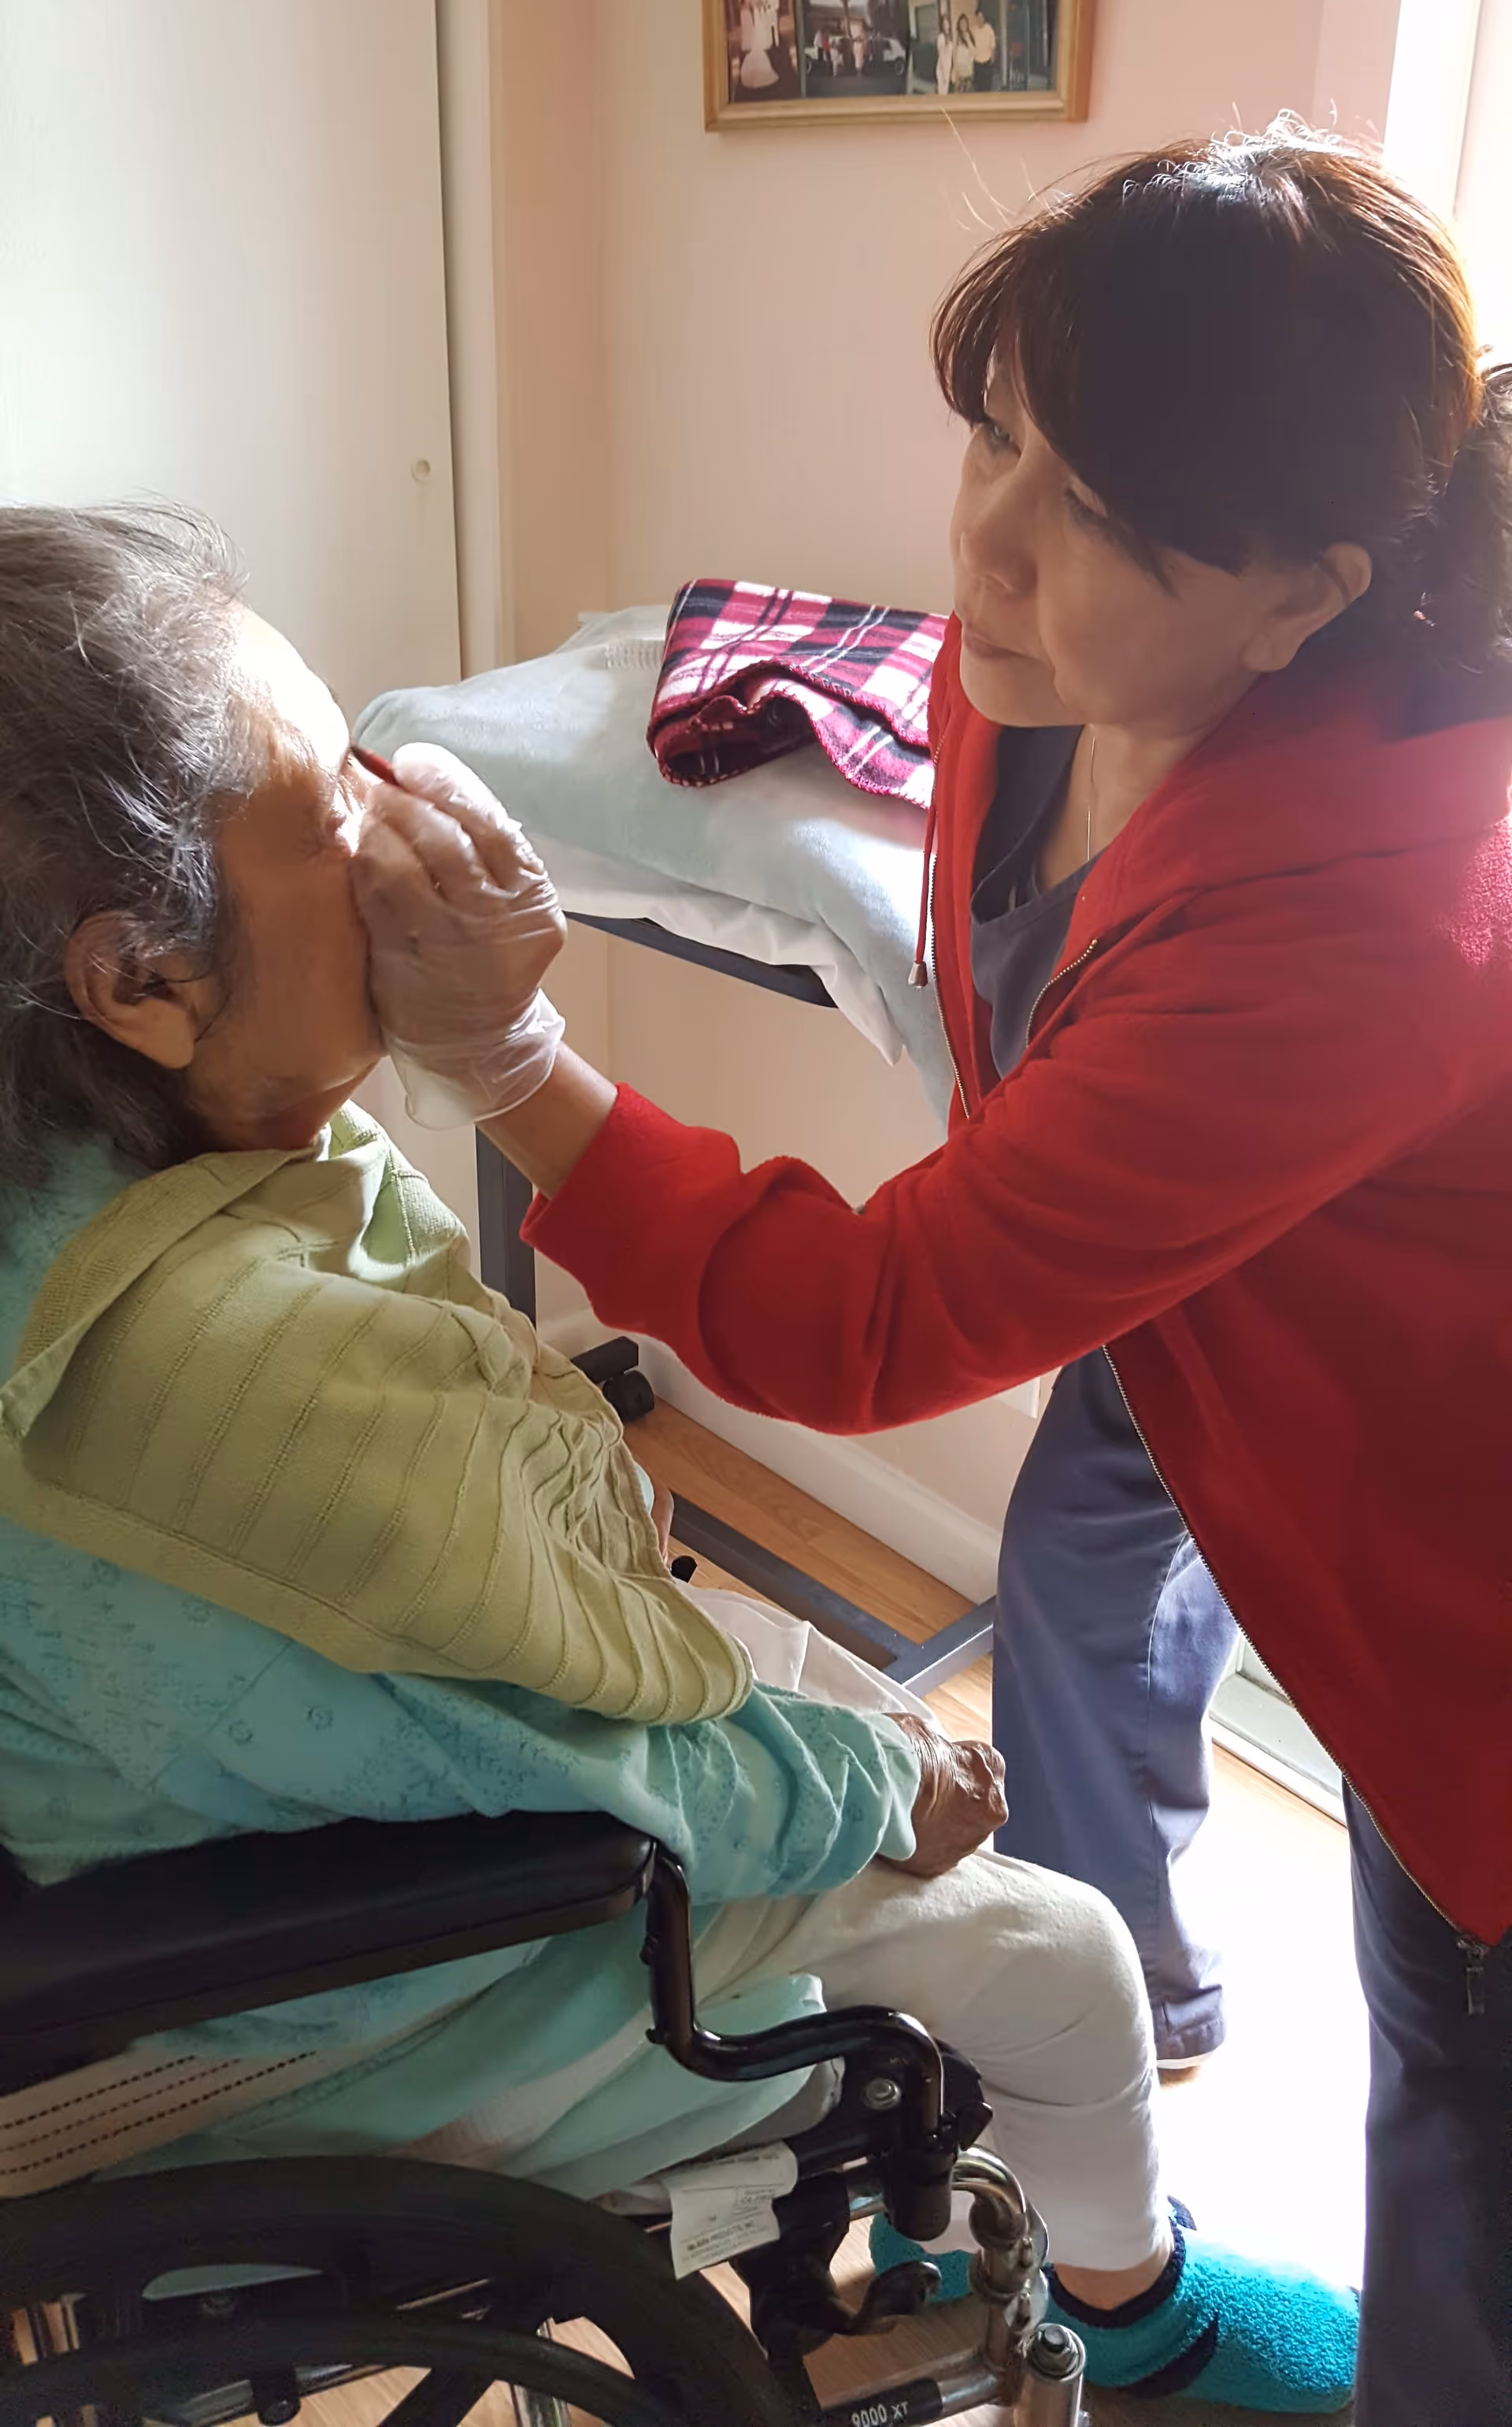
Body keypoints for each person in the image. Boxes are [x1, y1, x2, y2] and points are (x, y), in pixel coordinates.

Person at [356, 123, 1512, 2427]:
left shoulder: (1381, 902)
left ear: (1303, 592)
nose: (982, 535)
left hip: (1452, 1539)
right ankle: (1121, 2031)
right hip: (1213, 1322)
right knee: (1089, 1587)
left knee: (1452, 2064)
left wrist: (511, 1051)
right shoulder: (1016, 671)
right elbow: (1029, 1021)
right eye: (994, 433)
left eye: (1087, 508)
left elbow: (866, 1324)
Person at [0, 507, 1357, 2413]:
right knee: (1052, 1946)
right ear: (136, 979)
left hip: (189, 1814)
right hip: (326, 1987)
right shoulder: (234, 1388)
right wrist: (866, 1773)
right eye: (331, 803)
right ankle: (1146, 2324)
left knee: (817, 1697)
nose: (400, 819)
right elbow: (560, 1754)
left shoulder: (92, 1177)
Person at [970, 0, 998, 89]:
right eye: (978, 17)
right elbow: (971, 46)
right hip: (977, 62)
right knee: (978, 86)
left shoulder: (988, 29)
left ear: (983, 18)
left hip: (987, 61)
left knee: (987, 86)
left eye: (981, 17)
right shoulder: (973, 30)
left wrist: (992, 58)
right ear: (975, 18)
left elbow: (993, 44)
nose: (979, 19)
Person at [953, 9, 976, 90]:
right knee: (960, 95)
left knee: (969, 95)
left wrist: (968, 40)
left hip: (968, 70)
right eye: (962, 23)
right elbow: (954, 54)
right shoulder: (957, 36)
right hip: (960, 71)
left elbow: (973, 53)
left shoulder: (970, 36)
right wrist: (956, 71)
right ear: (959, 24)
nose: (963, 25)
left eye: (965, 23)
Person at [935, 13, 953, 97]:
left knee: (946, 93)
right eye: (944, 24)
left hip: (948, 68)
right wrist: (945, 74)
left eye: (947, 23)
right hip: (942, 69)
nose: (947, 26)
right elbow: (941, 56)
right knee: (942, 94)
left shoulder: (949, 37)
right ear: (942, 26)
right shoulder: (941, 38)